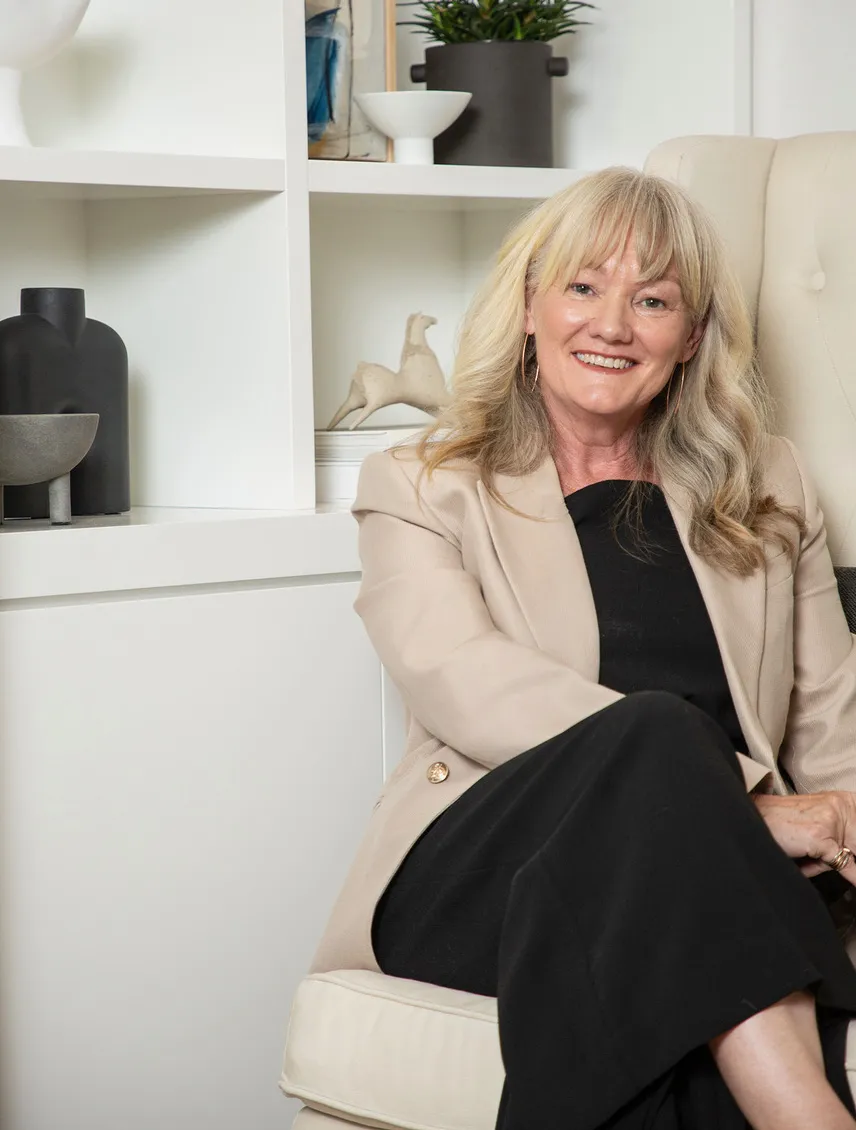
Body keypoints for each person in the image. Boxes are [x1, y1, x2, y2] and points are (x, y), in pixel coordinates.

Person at [310, 167, 856, 1130]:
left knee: (675, 950)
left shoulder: (768, 484)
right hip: (488, 870)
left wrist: (845, 822)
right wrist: (736, 806)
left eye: (652, 300)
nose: (613, 323)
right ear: (529, 306)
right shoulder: (425, 482)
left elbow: (829, 715)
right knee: (660, 733)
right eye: (582, 287)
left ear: (689, 340)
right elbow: (465, 683)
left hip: (704, 883)